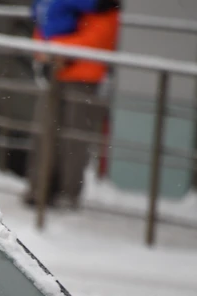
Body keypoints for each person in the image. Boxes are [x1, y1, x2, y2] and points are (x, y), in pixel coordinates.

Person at [24, 0, 122, 209]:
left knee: (74, 140)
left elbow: (99, 38)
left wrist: (55, 50)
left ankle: (67, 194)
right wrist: (47, 51)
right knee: (43, 133)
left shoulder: (103, 7)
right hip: (55, 72)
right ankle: (39, 189)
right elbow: (43, 25)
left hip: (84, 78)